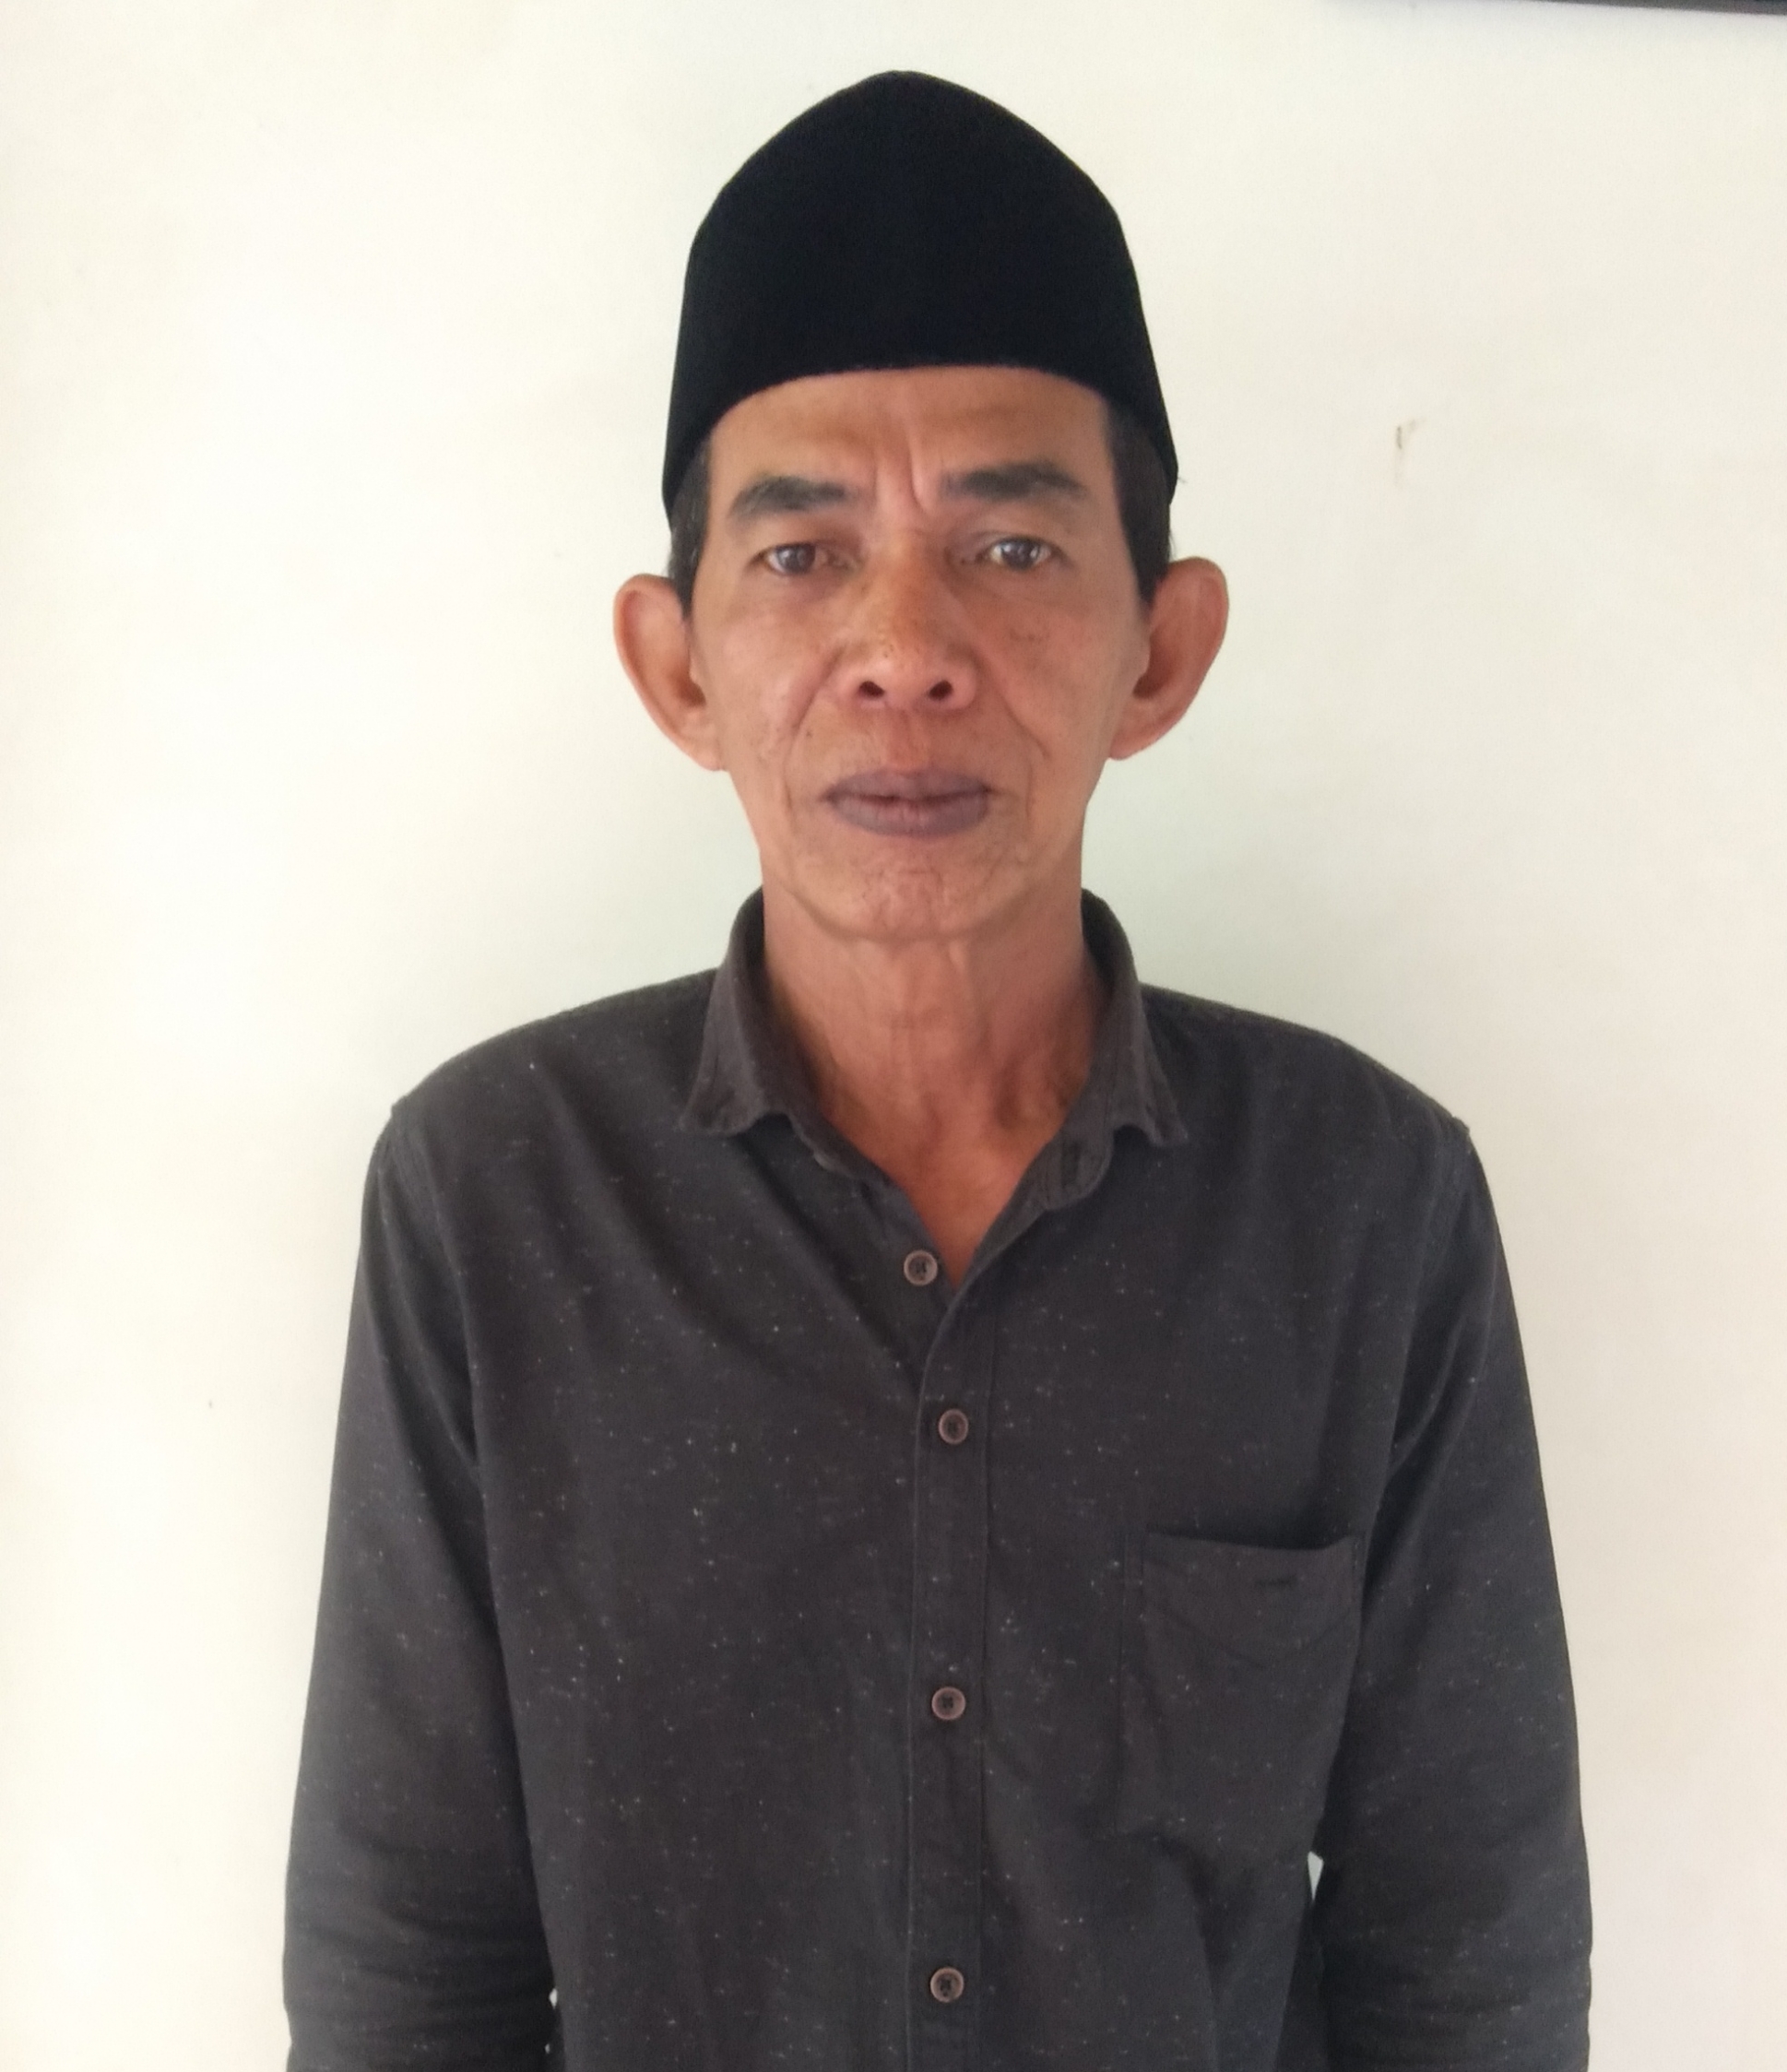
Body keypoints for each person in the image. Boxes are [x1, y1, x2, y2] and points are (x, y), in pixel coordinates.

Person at [284, 71, 1591, 2072]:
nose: (906, 648)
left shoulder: (1364, 1207)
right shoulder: (496, 1196)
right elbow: (411, 1977)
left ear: (1161, 647)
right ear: (677, 665)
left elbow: (1467, 1971)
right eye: (802, 555)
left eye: (1010, 543)